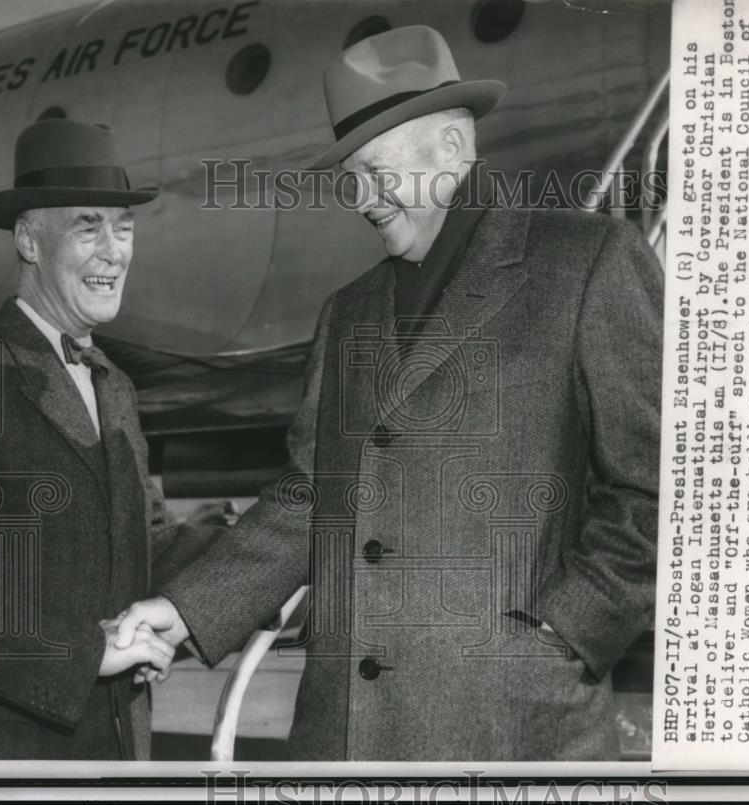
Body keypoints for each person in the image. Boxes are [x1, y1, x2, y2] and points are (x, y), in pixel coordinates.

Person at [115, 25, 663, 761]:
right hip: (345, 731)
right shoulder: (349, 311)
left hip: (515, 728)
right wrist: (183, 610)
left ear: (451, 147)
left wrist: (562, 634)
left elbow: (657, 487)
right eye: (350, 175)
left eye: (374, 170)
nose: (358, 197)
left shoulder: (589, 264)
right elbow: (311, 498)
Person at [0, 119, 222, 760]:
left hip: (120, 748)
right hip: (7, 759)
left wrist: (278, 579)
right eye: (86, 226)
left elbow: (144, 543)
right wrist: (83, 652)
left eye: (123, 228)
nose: (113, 251)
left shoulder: (115, 386)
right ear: (28, 241)